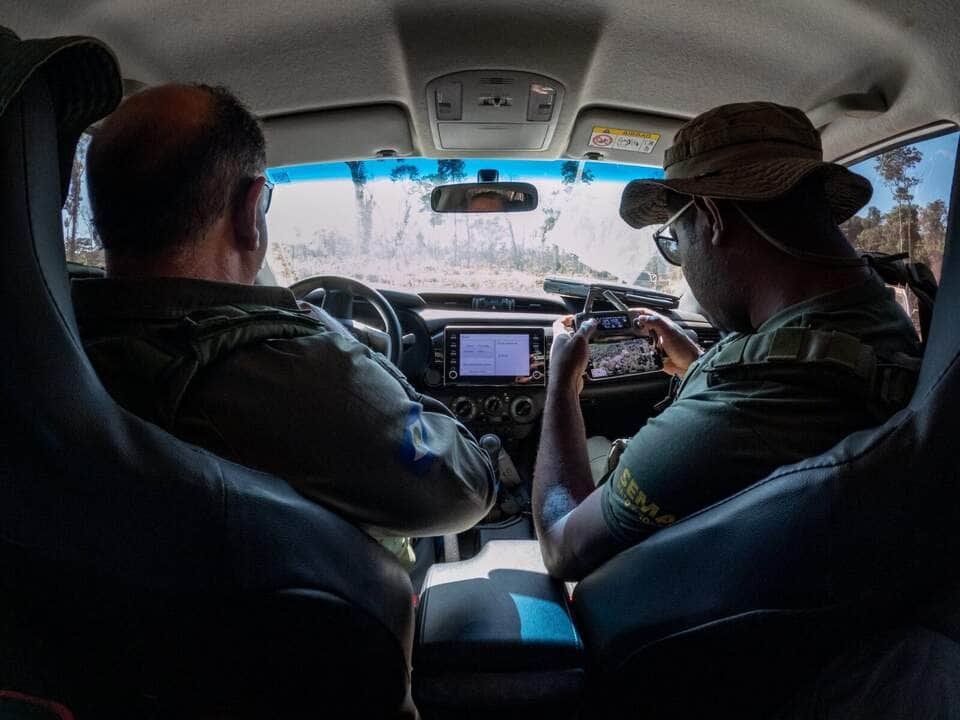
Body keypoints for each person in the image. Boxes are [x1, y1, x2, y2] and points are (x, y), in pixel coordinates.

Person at [73, 83, 497, 569]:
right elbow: (467, 490)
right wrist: (349, 349)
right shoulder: (300, 372)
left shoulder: (52, 342)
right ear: (252, 209)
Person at [533, 102, 922, 580]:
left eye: (675, 239)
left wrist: (561, 386)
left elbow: (559, 547)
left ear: (712, 218)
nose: (682, 264)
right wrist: (698, 363)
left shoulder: (742, 410)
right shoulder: (884, 322)